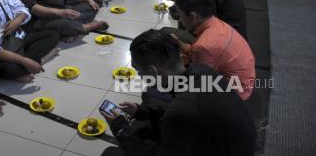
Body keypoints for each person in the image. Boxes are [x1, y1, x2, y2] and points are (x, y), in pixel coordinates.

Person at [100, 29, 256, 155]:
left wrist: (120, 127)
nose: (139, 76)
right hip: (230, 144)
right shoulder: (202, 71)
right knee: (146, 112)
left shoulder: (181, 111)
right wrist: (141, 111)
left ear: (153, 72)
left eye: (139, 71)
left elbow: (180, 115)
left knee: (111, 153)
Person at [172, 0, 255, 100]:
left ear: (193, 16)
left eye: (181, 16)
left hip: (235, 95)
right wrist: (178, 42)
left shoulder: (204, 46)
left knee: (158, 91)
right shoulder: (215, 23)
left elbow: (199, 82)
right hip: (245, 79)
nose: (181, 21)